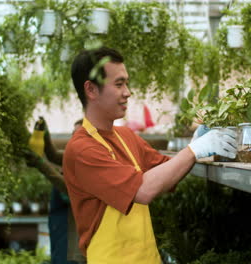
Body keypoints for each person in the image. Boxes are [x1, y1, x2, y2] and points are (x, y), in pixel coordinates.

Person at [63, 46, 237, 263]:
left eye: (127, 83)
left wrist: (196, 146)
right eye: (119, 84)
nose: (127, 92)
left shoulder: (126, 137)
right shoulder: (82, 149)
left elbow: (166, 173)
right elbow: (143, 190)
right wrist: (194, 150)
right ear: (91, 90)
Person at [24, 119, 86, 264]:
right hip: (60, 226)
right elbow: (53, 155)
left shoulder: (90, 162)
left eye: (78, 135)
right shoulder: (74, 155)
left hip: (72, 233)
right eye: (73, 134)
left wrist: (41, 164)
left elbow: (70, 189)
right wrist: (44, 135)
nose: (73, 139)